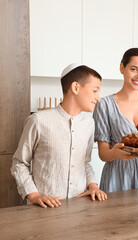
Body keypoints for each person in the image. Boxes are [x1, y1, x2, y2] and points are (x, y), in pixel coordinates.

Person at [11, 63, 107, 208]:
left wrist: (93, 186)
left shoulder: (89, 123)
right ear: (75, 88)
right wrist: (34, 195)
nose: (98, 98)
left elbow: (85, 163)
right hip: (43, 208)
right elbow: (19, 163)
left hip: (79, 206)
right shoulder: (38, 121)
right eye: (95, 91)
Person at [93, 48, 138, 192]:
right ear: (122, 67)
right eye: (134, 69)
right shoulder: (104, 105)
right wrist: (115, 153)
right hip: (118, 177)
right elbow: (103, 154)